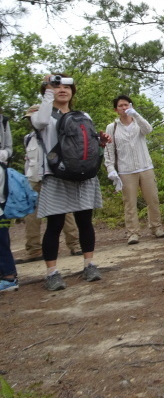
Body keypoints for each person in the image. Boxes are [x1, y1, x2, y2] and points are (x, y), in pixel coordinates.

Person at [32, 74, 110, 291]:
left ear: (73, 91)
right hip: (56, 174)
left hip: (82, 174)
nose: (62, 90)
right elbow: (40, 122)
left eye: (67, 86)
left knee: (85, 222)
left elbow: (87, 144)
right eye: (57, 87)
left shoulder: (82, 115)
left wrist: (100, 142)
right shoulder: (43, 114)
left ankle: (89, 264)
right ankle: (52, 273)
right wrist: (47, 89)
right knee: (54, 225)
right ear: (49, 90)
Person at [17, 105, 82, 263]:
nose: (31, 121)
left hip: (53, 177)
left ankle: (74, 245)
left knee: (65, 212)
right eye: (29, 118)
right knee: (31, 216)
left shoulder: (55, 135)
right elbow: (29, 162)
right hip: (33, 179)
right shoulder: (28, 138)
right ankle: (34, 250)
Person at [104, 95, 164, 244]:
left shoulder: (138, 122)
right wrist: (110, 168)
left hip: (145, 167)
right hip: (126, 170)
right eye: (121, 106)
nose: (124, 108)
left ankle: (156, 227)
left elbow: (148, 129)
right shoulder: (112, 127)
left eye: (126, 105)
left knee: (153, 199)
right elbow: (109, 149)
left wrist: (136, 114)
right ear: (116, 109)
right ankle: (133, 233)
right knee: (130, 203)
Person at [0, 115, 18, 292]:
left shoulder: (2, 121)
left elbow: (8, 149)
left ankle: (8, 274)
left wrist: (2, 155)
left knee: (1, 228)